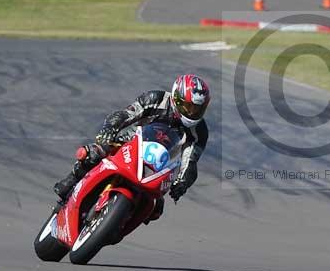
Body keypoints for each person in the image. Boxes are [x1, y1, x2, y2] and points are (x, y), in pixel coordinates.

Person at [52, 74, 211, 221]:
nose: (192, 113)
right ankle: (70, 183)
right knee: (95, 153)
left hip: (160, 165)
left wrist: (182, 183)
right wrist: (109, 129)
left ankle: (118, 222)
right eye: (188, 107)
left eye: (197, 109)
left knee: (156, 209)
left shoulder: (199, 131)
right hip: (131, 141)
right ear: (177, 98)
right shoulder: (156, 98)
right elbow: (126, 114)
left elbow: (190, 162)